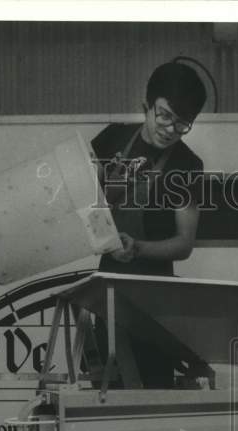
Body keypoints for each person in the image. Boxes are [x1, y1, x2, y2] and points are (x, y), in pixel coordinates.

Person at [89, 61, 206, 387]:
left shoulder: (187, 165)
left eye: (182, 124)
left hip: (156, 305)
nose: (170, 129)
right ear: (147, 106)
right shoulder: (111, 140)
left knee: (153, 398)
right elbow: (82, 199)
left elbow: (184, 244)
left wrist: (138, 247)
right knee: (106, 397)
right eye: (164, 115)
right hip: (106, 295)